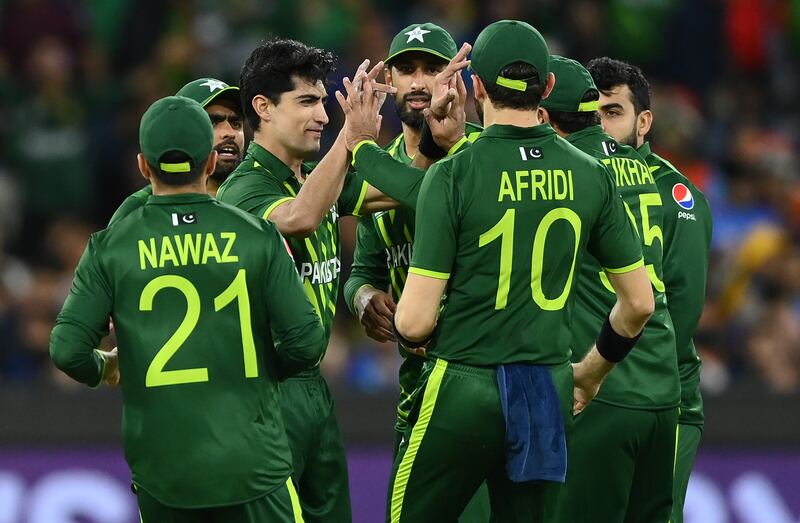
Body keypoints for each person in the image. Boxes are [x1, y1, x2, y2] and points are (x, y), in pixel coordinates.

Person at [389, 21, 654, 522]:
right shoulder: (590, 174)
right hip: (546, 388)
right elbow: (640, 302)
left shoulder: (452, 173)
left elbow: (413, 322)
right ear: (548, 88)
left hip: (463, 384)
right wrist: (591, 374)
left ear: (479, 88)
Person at [50, 95, 325, 522]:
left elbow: (67, 349)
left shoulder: (110, 247)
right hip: (253, 462)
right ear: (212, 162)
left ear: (143, 166)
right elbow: (307, 340)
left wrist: (105, 367)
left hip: (165, 474)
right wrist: (259, 369)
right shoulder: (258, 236)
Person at [215, 38, 398, 523]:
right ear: (263, 108)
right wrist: (350, 137)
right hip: (266, 394)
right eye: (307, 102)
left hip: (315, 389)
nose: (321, 114)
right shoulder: (243, 190)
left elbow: (404, 189)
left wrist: (433, 123)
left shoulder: (317, 174)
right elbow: (300, 217)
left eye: (323, 101)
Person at [343, 22, 489, 522]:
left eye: (433, 68)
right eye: (407, 69)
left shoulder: (485, 152)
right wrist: (363, 298)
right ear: (388, 80)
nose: (420, 82)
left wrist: (359, 148)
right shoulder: (377, 166)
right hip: (416, 384)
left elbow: (428, 193)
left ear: (459, 78)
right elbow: (361, 270)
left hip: (483, 374)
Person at [539, 56, 679, 522]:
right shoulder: (642, 169)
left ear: (543, 118)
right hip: (662, 390)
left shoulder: (571, 173)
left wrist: (591, 372)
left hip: (606, 385)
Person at [587, 56, 713, 523]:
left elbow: (680, 316)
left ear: (644, 122)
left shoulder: (678, 198)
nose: (599, 127)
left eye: (612, 113)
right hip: (594, 390)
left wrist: (607, 367)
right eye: (591, 113)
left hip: (664, 399)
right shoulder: (577, 180)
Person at [108, 77, 245, 224]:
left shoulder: (259, 195)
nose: (230, 133)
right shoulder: (137, 210)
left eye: (236, 123)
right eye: (211, 123)